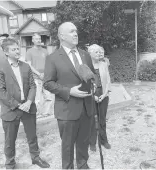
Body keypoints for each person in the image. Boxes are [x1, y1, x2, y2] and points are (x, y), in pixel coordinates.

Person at [43, 22, 95, 169]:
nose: (75, 34)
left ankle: (83, 165)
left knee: (83, 143)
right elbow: (47, 83)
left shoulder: (85, 55)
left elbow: (92, 75)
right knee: (67, 146)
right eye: (72, 31)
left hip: (86, 108)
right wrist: (69, 91)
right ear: (61, 36)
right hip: (67, 110)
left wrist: (94, 84)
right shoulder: (53, 58)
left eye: (76, 31)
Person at [0, 38, 50, 169]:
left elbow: (32, 85)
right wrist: (19, 105)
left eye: (18, 48)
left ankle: (35, 158)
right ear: (6, 52)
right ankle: (10, 163)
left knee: (32, 135)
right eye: (13, 49)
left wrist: (29, 101)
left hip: (28, 107)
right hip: (11, 109)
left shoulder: (25, 66)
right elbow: (1, 92)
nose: (17, 51)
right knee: (10, 139)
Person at [88, 44, 111, 152]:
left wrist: (105, 93)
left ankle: (103, 140)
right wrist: (93, 96)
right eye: (96, 52)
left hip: (103, 94)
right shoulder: (86, 66)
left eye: (99, 52)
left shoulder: (103, 64)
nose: (98, 54)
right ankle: (92, 142)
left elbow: (108, 80)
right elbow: (85, 84)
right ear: (90, 54)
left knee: (102, 119)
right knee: (91, 120)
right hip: (91, 96)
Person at [25, 33, 51, 116]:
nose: (38, 40)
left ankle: (46, 112)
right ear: (33, 40)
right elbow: (29, 65)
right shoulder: (29, 52)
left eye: (39, 39)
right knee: (37, 98)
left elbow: (49, 64)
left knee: (48, 96)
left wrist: (46, 73)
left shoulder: (45, 51)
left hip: (45, 77)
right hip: (36, 77)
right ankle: (38, 114)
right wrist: (39, 74)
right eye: (36, 39)